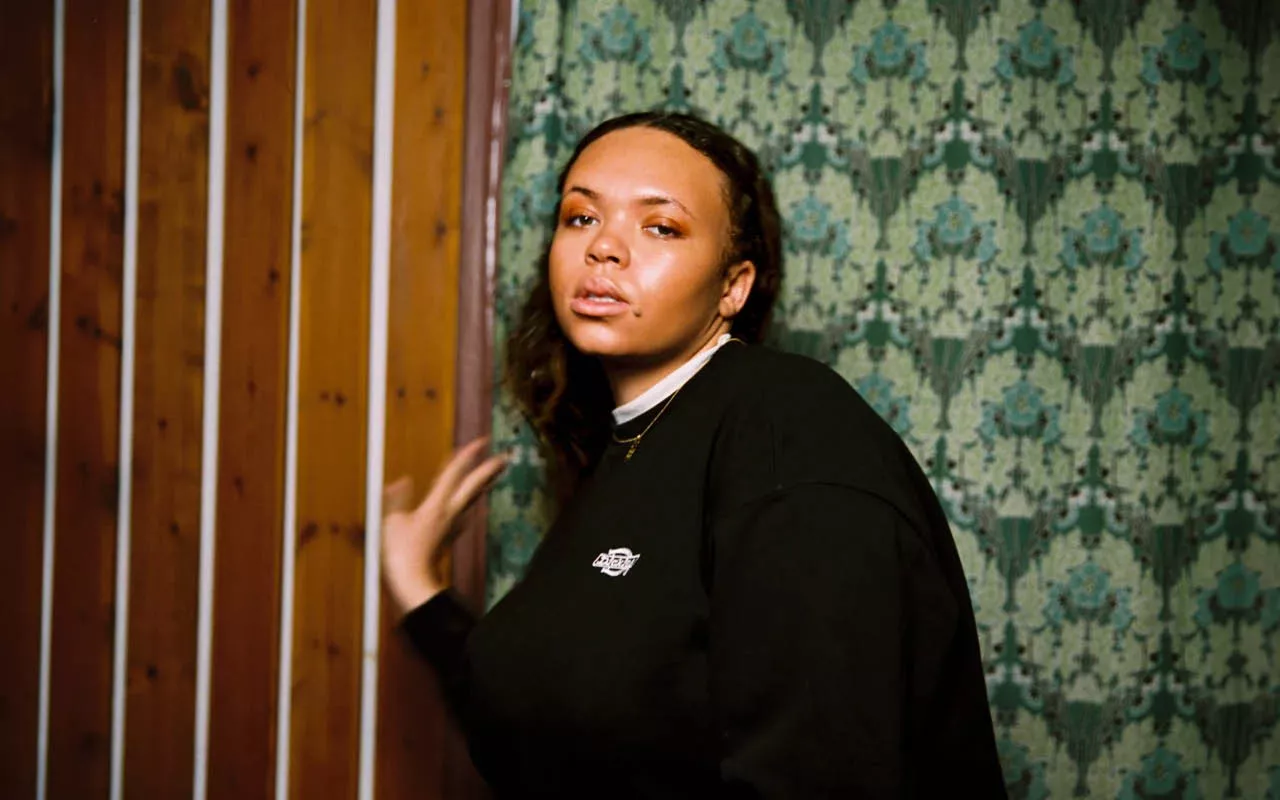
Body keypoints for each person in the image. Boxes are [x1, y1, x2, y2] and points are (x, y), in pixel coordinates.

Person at [381, 111, 1007, 798]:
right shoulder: (629, 450)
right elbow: (540, 724)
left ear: (734, 285)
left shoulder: (786, 428)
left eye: (661, 226)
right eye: (581, 217)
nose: (604, 248)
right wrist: (420, 589)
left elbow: (819, 770)